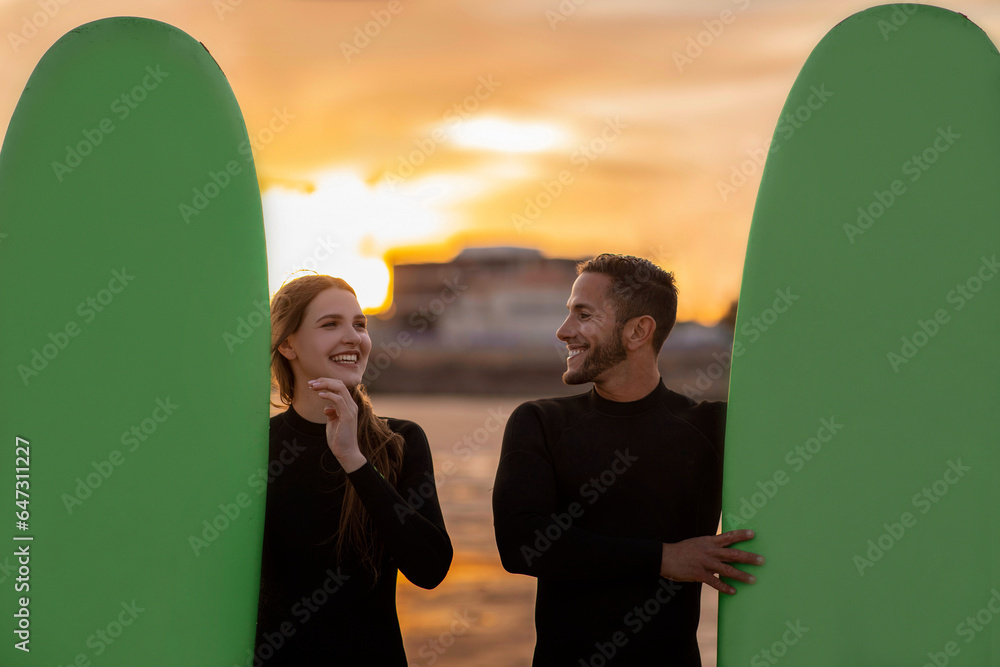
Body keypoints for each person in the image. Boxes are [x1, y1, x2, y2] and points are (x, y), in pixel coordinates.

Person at [492, 253, 763, 666]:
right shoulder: (540, 421)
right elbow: (521, 544)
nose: (564, 331)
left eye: (583, 315)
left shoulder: (713, 428)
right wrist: (663, 558)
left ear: (638, 331)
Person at [255, 274, 453, 666]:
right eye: (331, 324)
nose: (353, 337)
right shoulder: (256, 447)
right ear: (288, 343)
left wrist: (353, 460)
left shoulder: (401, 440)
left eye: (360, 325)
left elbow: (430, 568)